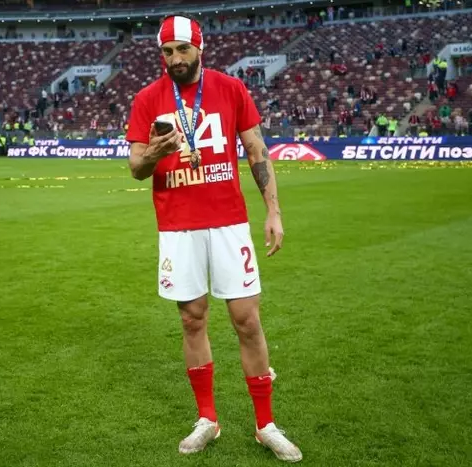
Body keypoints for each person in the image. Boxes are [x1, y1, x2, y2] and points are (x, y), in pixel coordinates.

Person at [125, 13, 302, 463]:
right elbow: (136, 168)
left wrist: (274, 212)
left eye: (182, 49)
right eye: (167, 51)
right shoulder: (147, 99)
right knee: (192, 319)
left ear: (199, 48)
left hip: (228, 223)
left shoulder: (230, 88)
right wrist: (155, 152)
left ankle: (265, 425)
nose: (175, 59)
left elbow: (257, 150)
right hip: (177, 225)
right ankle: (208, 418)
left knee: (247, 320)